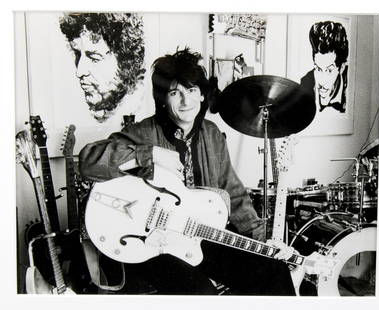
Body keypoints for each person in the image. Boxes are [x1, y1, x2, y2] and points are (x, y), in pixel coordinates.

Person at [79, 48, 296, 295]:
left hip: (202, 237)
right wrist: (149, 154)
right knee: (200, 292)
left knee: (273, 269)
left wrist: (262, 241)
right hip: (155, 245)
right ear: (162, 98)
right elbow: (88, 162)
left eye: (191, 90)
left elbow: (234, 195)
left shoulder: (212, 134)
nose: (185, 101)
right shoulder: (143, 132)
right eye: (175, 92)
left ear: (202, 95)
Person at [59, 13, 145, 123]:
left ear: (125, 63)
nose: (79, 72)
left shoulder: (138, 109)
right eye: (77, 55)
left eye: (94, 58)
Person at [300, 21, 349, 114]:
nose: (322, 81)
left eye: (329, 70)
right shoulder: (305, 83)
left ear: (341, 68)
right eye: (318, 69)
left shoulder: (353, 86)